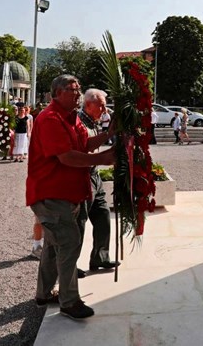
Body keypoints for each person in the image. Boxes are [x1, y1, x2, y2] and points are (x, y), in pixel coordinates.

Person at [26, 74, 115, 320]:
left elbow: (84, 144)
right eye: (71, 90)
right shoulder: (50, 118)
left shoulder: (71, 117)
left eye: (78, 89)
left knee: (55, 247)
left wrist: (110, 134)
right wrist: (103, 158)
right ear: (56, 93)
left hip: (68, 193)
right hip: (52, 194)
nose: (77, 93)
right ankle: (69, 301)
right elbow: (66, 156)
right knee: (68, 244)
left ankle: (44, 294)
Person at [78, 89, 121, 272]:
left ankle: (100, 257)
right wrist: (108, 134)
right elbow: (85, 145)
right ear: (88, 104)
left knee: (103, 216)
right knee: (79, 223)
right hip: (82, 176)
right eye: (101, 104)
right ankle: (70, 266)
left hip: (95, 175)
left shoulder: (92, 121)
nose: (104, 108)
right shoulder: (79, 121)